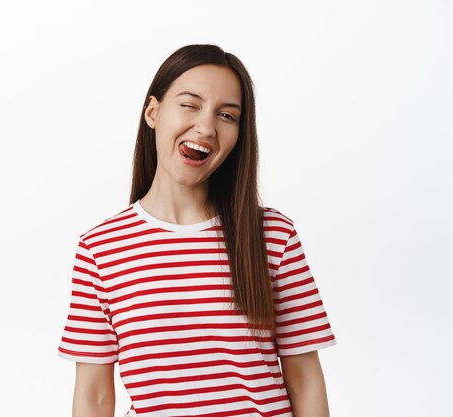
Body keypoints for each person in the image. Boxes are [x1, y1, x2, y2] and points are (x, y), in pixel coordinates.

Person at [57, 44, 337, 417]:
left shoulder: (273, 235)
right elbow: (94, 397)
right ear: (153, 112)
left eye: (226, 115)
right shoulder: (100, 249)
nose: (206, 127)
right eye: (190, 104)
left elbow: (304, 380)